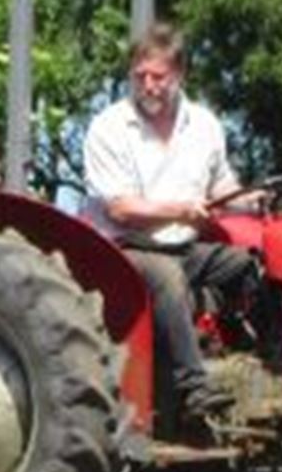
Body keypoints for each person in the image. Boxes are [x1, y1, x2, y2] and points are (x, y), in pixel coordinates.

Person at [82, 23, 268, 422]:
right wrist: (181, 210)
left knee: (249, 265)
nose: (148, 85)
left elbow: (223, 185)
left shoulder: (204, 126)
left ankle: (263, 361)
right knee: (167, 277)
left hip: (183, 245)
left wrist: (252, 199)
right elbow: (120, 209)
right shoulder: (109, 128)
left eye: (158, 77)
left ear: (179, 75)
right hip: (122, 249)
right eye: (139, 76)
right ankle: (191, 389)